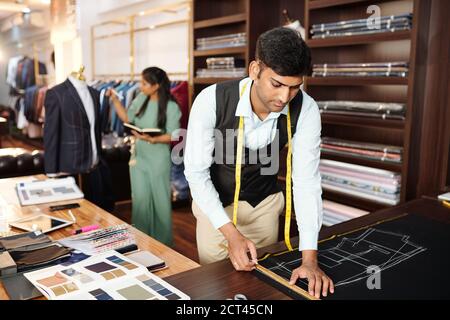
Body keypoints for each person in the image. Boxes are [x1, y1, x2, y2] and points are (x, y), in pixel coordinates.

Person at [184, 27, 334, 299]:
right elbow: (196, 173)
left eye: (294, 87)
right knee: (215, 289)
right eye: (277, 84)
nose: (284, 98)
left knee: (259, 289)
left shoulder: (307, 109)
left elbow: (306, 182)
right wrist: (231, 235)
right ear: (255, 70)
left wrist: (310, 259)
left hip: (263, 206)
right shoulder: (210, 101)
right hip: (214, 209)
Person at [107, 67, 181, 246]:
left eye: (144, 83)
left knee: (160, 201)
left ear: (156, 86)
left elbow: (173, 135)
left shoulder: (171, 106)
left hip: (158, 159)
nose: (140, 86)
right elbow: (127, 119)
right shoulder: (141, 99)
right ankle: (140, 240)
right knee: (140, 200)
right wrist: (115, 101)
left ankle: (163, 244)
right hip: (139, 157)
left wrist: (152, 139)